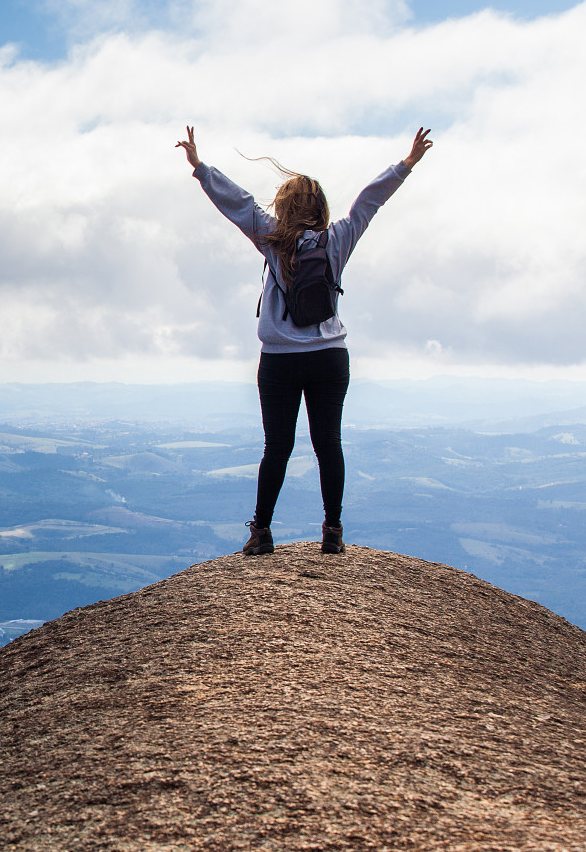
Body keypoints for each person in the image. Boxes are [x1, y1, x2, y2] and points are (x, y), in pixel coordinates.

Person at [176, 126, 432, 556]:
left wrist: (201, 168)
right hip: (330, 356)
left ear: (285, 206)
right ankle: (332, 531)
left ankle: (261, 532)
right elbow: (369, 201)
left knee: (277, 446)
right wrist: (405, 165)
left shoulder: (272, 239)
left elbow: (236, 203)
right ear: (321, 208)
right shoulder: (338, 240)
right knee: (328, 443)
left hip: (279, 359)